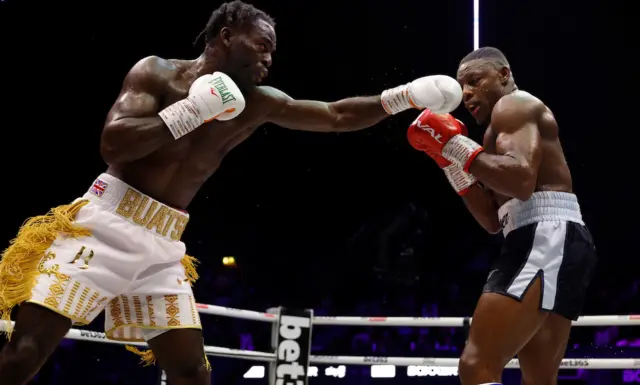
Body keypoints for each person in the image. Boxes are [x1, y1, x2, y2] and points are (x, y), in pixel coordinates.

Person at [0, 1, 463, 384]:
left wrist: (403, 95)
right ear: (225, 36)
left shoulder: (258, 104)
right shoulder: (158, 73)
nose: (268, 58)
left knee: (190, 373)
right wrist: (192, 111)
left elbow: (335, 116)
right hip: (102, 225)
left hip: (162, 246)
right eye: (262, 45)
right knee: (24, 355)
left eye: (272, 52)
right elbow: (113, 142)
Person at [405, 46, 597, 385]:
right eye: (461, 86)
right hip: (550, 237)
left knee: (476, 365)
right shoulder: (496, 134)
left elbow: (521, 181)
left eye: (475, 81)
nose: (466, 93)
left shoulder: (515, 105)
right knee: (538, 378)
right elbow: (493, 221)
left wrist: (453, 146)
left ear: (504, 75)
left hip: (545, 235)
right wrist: (449, 161)